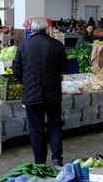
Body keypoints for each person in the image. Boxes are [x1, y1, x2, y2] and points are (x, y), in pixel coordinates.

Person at [13, 17, 67, 166]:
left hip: (31, 95)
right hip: (53, 93)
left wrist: (25, 82)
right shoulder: (57, 45)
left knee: (36, 128)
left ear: (32, 29)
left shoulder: (23, 45)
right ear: (47, 29)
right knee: (55, 125)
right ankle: (57, 159)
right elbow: (64, 67)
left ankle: (40, 162)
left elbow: (16, 69)